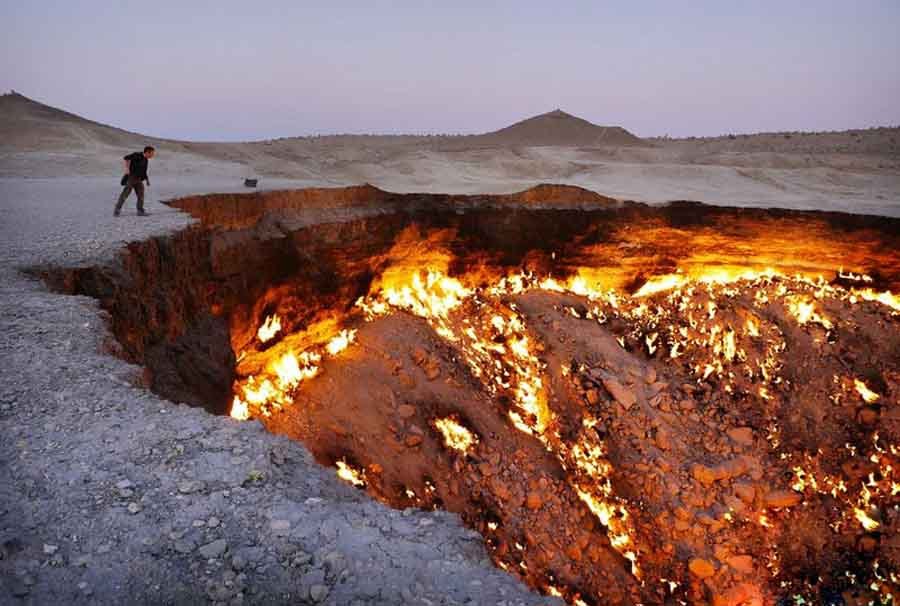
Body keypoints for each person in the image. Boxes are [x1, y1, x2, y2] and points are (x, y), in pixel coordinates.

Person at [114, 146, 155, 216]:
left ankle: (140, 211)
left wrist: (147, 180)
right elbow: (126, 158)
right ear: (147, 152)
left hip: (139, 179)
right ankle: (117, 210)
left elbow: (144, 171)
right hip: (131, 178)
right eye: (152, 153)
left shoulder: (146, 160)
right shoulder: (137, 155)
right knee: (125, 194)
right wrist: (127, 169)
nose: (153, 155)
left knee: (141, 195)